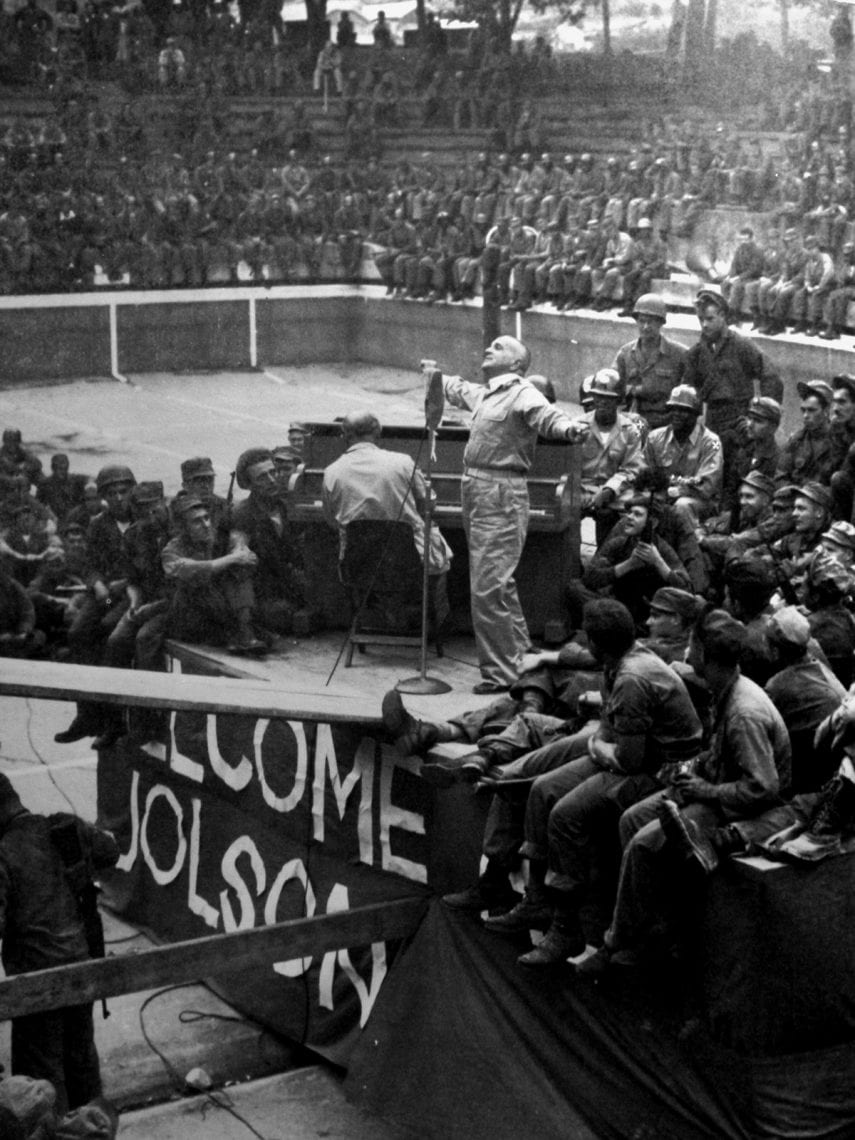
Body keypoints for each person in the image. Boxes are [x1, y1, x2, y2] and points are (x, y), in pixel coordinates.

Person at [481, 598, 703, 966]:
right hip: (622, 753)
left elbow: (630, 762)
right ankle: (537, 902)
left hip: (658, 772)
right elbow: (608, 726)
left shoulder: (634, 676)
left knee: (566, 815)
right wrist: (599, 742)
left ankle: (566, 929)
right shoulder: (619, 660)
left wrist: (598, 748)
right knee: (542, 789)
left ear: (599, 644)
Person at [584, 607, 790, 973]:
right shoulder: (725, 689)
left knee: (643, 845)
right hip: (716, 786)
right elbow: (719, 754)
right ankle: (652, 928)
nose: (687, 650)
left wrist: (704, 789)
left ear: (706, 655)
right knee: (631, 820)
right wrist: (689, 770)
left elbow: (764, 790)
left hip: (743, 810)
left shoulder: (744, 712)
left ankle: (622, 941)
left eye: (693, 643)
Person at [425, 337, 589, 692]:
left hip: (499, 492)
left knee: (487, 587)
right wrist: (437, 375)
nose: (490, 348)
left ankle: (502, 675)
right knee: (498, 581)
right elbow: (457, 388)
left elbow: (547, 417)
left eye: (500, 347)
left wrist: (569, 429)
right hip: (478, 492)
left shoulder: (522, 392)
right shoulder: (487, 393)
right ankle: (518, 655)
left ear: (517, 365)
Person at [0, 773, 119, 1115]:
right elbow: (111, 851)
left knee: (42, 1080)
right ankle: (94, 1131)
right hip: (81, 970)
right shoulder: (63, 828)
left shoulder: (4, 853)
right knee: (82, 1061)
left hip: (37, 986)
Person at [322, 410, 452, 595]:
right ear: (378, 432)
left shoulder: (331, 471)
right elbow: (427, 508)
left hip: (358, 564)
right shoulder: (403, 463)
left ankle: (367, 615)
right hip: (407, 561)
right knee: (438, 551)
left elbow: (331, 521)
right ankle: (432, 617)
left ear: (345, 436)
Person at [162, 495, 265, 655]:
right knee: (202, 584)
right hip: (190, 618)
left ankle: (244, 631)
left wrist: (239, 548)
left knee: (238, 575)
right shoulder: (172, 550)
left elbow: (250, 559)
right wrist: (231, 558)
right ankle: (237, 634)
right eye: (197, 521)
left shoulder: (218, 539)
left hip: (219, 611)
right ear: (182, 528)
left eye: (207, 518)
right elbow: (190, 569)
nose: (206, 525)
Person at [230, 448, 307, 637]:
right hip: (263, 595)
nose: (272, 480)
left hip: (287, 586)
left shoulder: (282, 506)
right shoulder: (242, 515)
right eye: (262, 477)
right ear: (249, 485)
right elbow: (239, 563)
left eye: (273, 472)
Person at [577, 369, 644, 543]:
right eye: (598, 396)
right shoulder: (578, 425)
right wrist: (580, 492)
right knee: (564, 511)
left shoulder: (629, 430)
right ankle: (571, 564)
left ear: (619, 400)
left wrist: (608, 490)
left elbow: (632, 468)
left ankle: (606, 558)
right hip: (582, 489)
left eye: (608, 398)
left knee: (625, 515)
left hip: (614, 493)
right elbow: (568, 464)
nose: (602, 402)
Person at [643, 384, 723, 527]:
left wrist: (672, 492)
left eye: (683, 410)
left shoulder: (710, 442)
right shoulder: (655, 438)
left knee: (682, 506)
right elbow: (645, 474)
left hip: (699, 502)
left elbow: (706, 486)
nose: (676, 414)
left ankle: (689, 547)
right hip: (662, 497)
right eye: (673, 409)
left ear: (696, 414)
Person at [611, 293, 688, 430]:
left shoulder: (679, 354)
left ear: (660, 323)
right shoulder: (625, 354)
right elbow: (614, 390)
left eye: (651, 322)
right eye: (641, 321)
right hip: (633, 424)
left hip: (666, 425)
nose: (645, 326)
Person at [777, 379, 834, 488]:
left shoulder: (838, 442)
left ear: (826, 410)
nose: (805, 416)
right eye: (803, 410)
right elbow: (780, 477)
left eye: (812, 410)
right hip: (795, 499)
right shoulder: (796, 441)